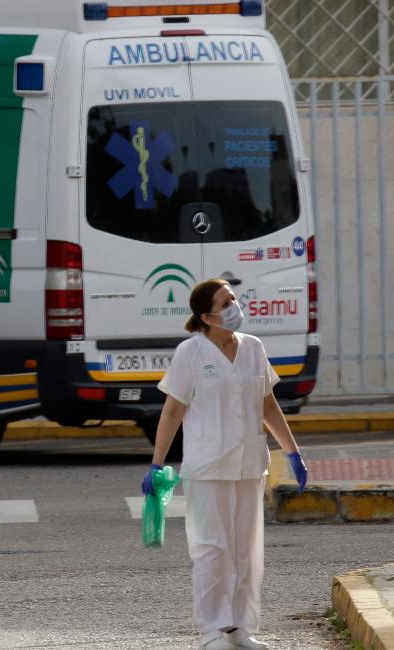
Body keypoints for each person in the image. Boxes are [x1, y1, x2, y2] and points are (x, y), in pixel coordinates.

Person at [141, 278, 309, 650]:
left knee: (246, 552)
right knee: (212, 549)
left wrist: (293, 452)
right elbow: (172, 410)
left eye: (234, 298)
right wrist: (156, 464)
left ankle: (239, 628)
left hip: (249, 464)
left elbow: (268, 404)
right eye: (226, 301)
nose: (235, 305)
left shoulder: (253, 348)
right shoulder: (190, 352)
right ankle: (211, 632)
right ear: (207, 316)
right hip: (207, 467)